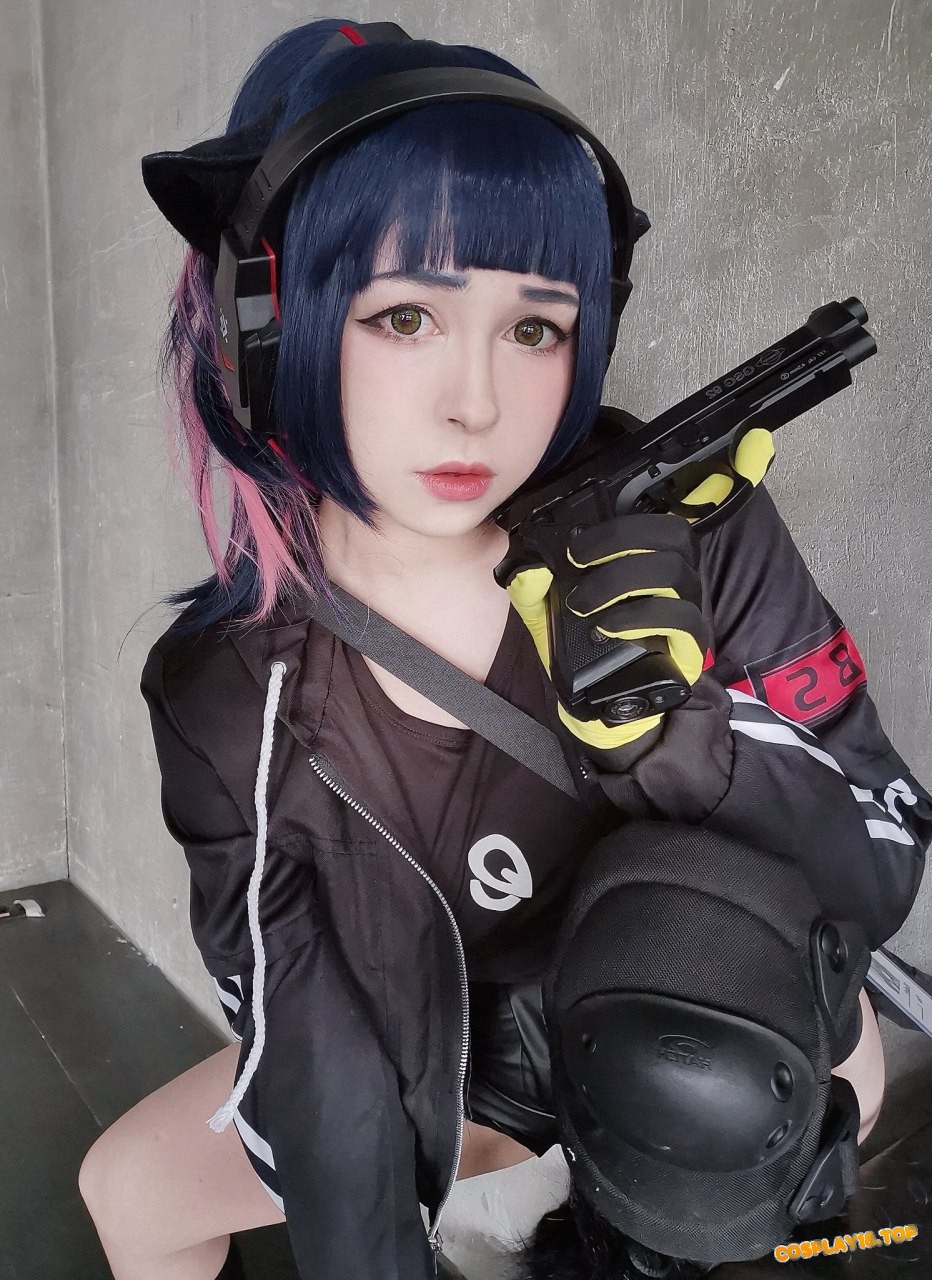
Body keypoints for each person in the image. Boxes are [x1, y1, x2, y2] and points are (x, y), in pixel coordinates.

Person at [76, 17, 931, 1280]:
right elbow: (305, 1031)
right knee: (128, 1190)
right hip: (451, 1043)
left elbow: (871, 863)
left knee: (710, 1082)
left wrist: (673, 735)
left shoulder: (679, 528)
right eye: (402, 316)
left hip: (712, 1015)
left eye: (533, 328)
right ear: (268, 326)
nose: (474, 401)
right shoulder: (226, 691)